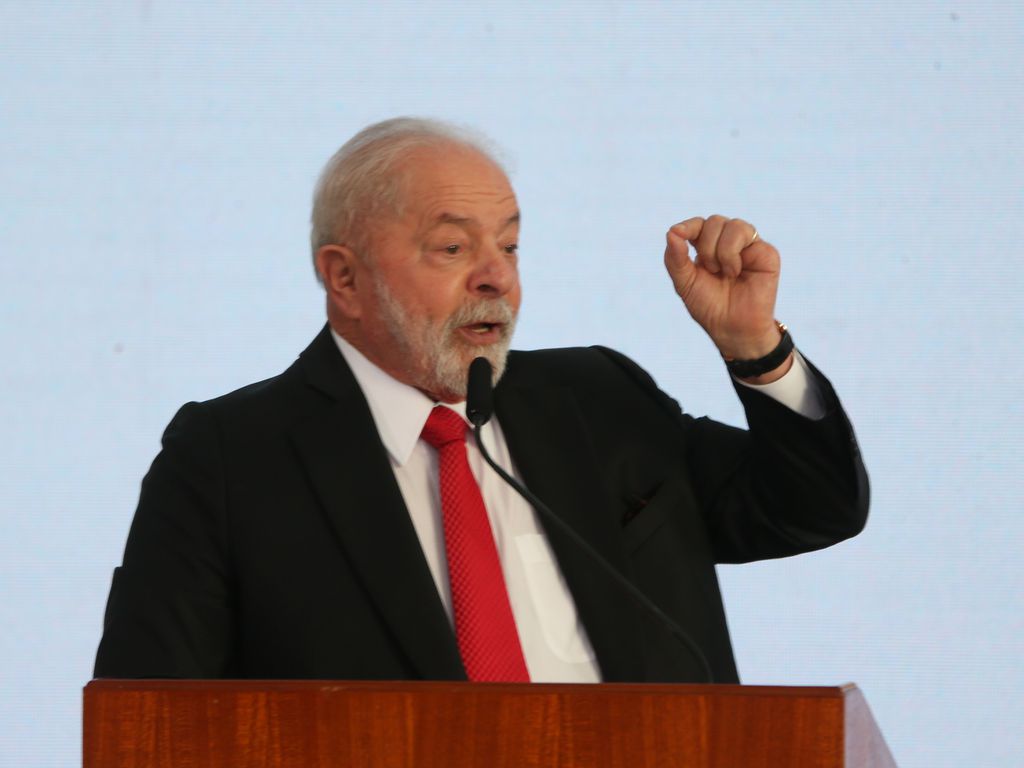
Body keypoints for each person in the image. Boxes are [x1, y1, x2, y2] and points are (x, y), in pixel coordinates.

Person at [94, 117, 868, 684]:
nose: (497, 276)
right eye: (453, 247)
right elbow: (148, 722)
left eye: (510, 244)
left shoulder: (599, 400)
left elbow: (813, 508)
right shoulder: (231, 460)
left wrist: (753, 346)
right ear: (345, 278)